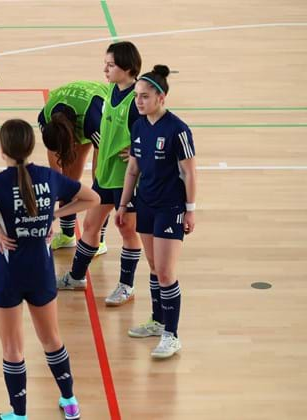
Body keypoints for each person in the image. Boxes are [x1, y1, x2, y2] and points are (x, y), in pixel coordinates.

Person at [0, 119, 99, 420]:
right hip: (40, 270)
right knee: (52, 340)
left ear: (2, 150)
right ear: (32, 147)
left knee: (12, 348)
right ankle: (69, 401)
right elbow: (92, 198)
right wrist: (55, 213)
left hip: (7, 274)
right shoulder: (49, 177)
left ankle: (19, 414)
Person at [116, 65, 196, 359]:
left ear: (161, 97)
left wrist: (190, 211)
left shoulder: (178, 130)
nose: (139, 101)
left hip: (170, 207)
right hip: (145, 204)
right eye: (137, 96)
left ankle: (171, 335)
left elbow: (190, 173)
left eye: (145, 96)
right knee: (152, 266)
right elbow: (133, 169)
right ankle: (157, 320)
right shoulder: (138, 126)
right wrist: (124, 204)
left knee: (165, 272)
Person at [58, 41, 143, 308]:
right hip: (106, 173)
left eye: (111, 65)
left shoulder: (138, 99)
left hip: (127, 178)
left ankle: (126, 286)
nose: (105, 69)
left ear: (127, 68)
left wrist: (140, 150)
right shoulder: (111, 91)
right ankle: (76, 277)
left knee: (127, 229)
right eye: (105, 64)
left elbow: (157, 127)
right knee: (92, 225)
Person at [38, 81, 110, 255]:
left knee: (101, 185)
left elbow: (102, 163)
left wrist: (98, 187)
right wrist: (58, 186)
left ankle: (98, 240)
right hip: (74, 121)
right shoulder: (44, 119)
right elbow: (57, 172)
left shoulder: (93, 122)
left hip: (102, 118)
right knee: (67, 182)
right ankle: (67, 235)